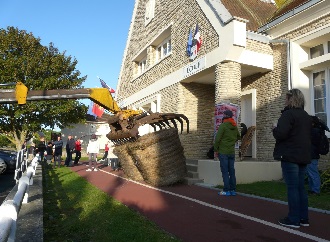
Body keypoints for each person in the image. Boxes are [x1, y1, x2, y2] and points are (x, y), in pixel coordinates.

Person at [272, 88, 311, 228]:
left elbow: (281, 134)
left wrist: (274, 128)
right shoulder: (306, 116)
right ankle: (303, 218)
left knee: (293, 188)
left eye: (286, 98)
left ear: (291, 99)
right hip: (303, 155)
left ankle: (293, 219)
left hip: (290, 155)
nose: (284, 100)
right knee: (301, 188)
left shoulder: (288, 114)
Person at [214, 109, 240, 196]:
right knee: (231, 171)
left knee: (225, 171)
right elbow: (238, 137)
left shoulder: (223, 125)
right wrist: (231, 142)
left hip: (223, 151)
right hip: (231, 152)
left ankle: (226, 190)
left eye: (223, 115)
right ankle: (233, 190)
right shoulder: (234, 126)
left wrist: (216, 149)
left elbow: (217, 139)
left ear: (225, 116)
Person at [307, 116, 329, 195]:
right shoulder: (317, 130)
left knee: (313, 173)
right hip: (312, 154)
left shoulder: (314, 131)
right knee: (310, 173)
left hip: (312, 155)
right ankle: (312, 189)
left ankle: (316, 190)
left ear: (312, 123)